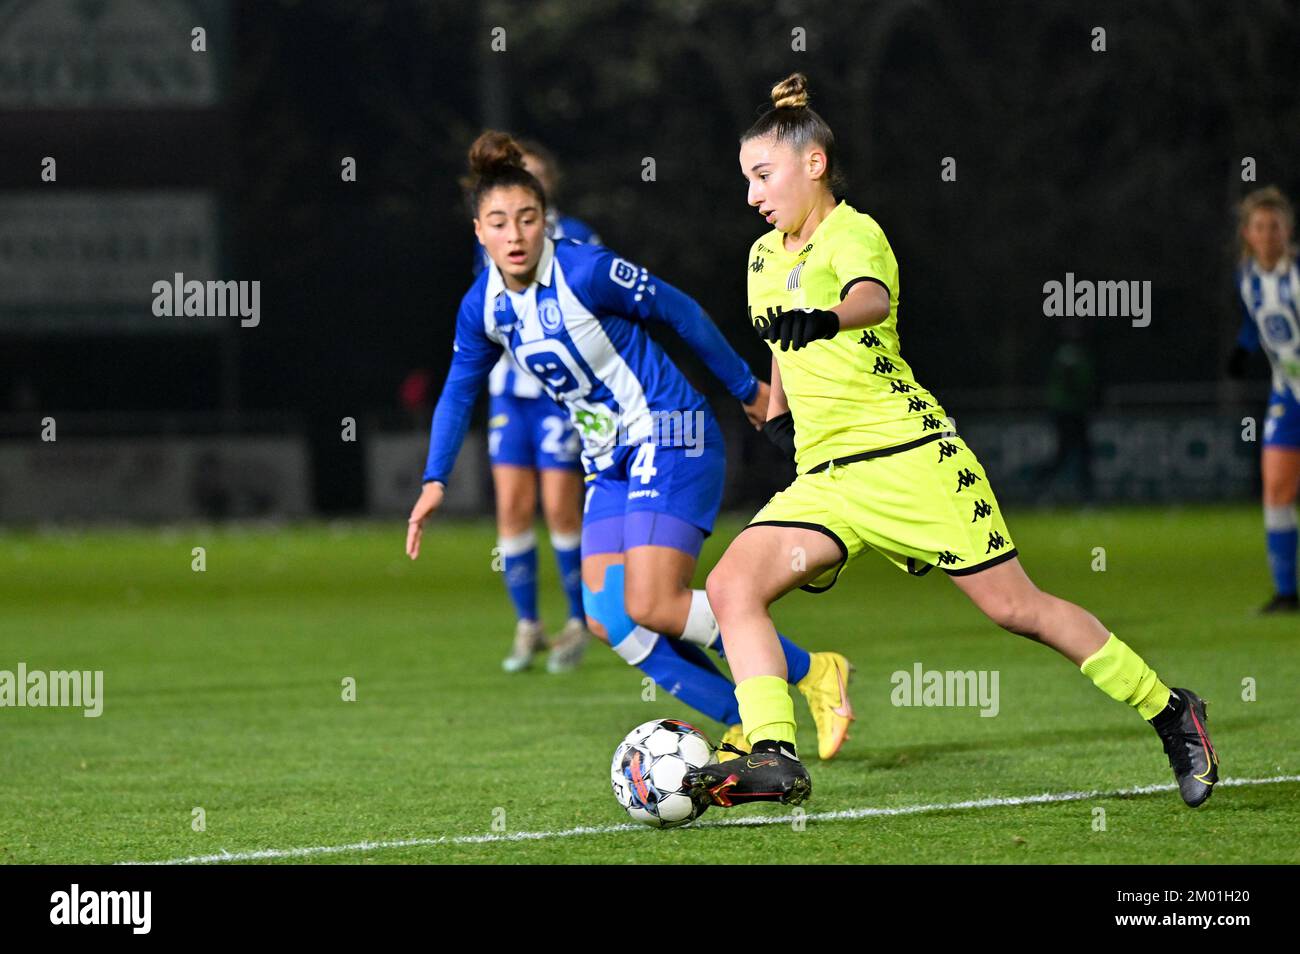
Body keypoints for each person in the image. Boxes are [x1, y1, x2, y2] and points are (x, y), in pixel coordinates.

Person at [686, 73, 1218, 809]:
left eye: (762, 175)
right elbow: (781, 335)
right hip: (829, 478)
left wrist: (827, 319)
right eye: (746, 178)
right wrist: (779, 412)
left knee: (1016, 609)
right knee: (729, 585)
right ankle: (774, 752)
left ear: (813, 166)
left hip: (911, 459)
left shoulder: (855, 233)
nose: (751, 194)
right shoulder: (762, 256)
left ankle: (1171, 711)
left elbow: (866, 299)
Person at [408, 131, 855, 759]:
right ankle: (740, 717)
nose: (515, 235)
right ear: (478, 232)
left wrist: (746, 389)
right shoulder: (481, 306)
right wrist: (434, 480)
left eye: (528, 219)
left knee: (653, 600)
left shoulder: (585, 270)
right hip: (609, 460)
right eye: (499, 222)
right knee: (610, 617)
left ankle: (811, 675)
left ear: (546, 223)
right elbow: (459, 389)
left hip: (670, 434)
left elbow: (680, 311)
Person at [469, 141, 601, 673]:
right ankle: (528, 624)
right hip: (508, 392)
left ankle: (577, 621)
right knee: (511, 508)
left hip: (559, 397)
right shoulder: (494, 235)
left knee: (561, 507)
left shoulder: (578, 238)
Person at [1226, 186, 1300, 613]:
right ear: (1248, 234)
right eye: (1260, 227)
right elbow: (1257, 324)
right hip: (1287, 397)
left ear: (1287, 230)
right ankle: (1287, 594)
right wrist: (1242, 349)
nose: (1269, 234)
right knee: (1275, 489)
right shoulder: (1247, 277)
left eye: (1275, 226)